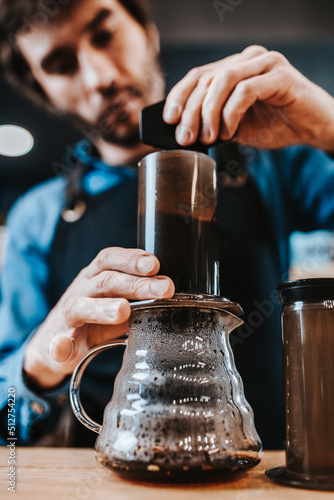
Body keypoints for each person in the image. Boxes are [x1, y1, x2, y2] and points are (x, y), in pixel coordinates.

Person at [1, 0, 334, 449]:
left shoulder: (268, 161)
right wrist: (36, 365)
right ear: (44, 91)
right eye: (61, 65)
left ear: (148, 31)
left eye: (104, 34)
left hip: (258, 476)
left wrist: (326, 127)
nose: (102, 77)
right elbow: (5, 420)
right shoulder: (35, 219)